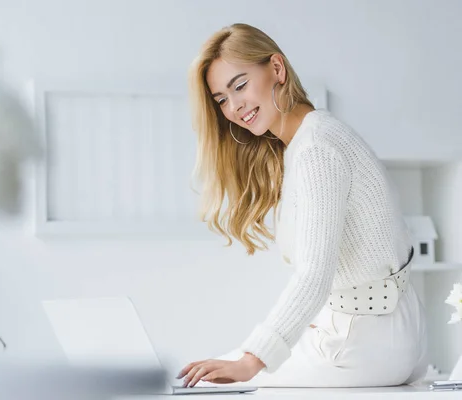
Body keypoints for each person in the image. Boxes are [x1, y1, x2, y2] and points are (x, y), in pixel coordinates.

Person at [177, 23, 428, 388]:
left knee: (202, 382)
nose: (234, 107)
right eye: (221, 100)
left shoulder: (317, 149)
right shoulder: (309, 140)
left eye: (240, 86)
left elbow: (314, 273)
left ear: (276, 69)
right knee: (209, 371)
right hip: (383, 334)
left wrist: (252, 361)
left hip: (365, 344)